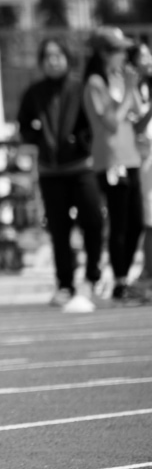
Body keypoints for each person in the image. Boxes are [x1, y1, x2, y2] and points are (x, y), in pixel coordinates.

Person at [16, 38, 104, 311]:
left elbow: (94, 122)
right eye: (48, 56)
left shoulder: (80, 88)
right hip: (50, 171)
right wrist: (38, 139)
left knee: (93, 222)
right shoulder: (34, 92)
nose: (54, 60)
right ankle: (64, 284)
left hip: (81, 168)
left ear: (67, 58)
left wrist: (81, 142)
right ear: (42, 61)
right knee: (59, 230)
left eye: (58, 55)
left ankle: (92, 278)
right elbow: (24, 126)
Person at [81, 27, 147, 304]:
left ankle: (124, 278)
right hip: (110, 160)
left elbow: (137, 121)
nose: (124, 56)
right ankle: (120, 282)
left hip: (131, 157)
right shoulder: (96, 83)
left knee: (136, 222)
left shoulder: (121, 79)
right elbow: (110, 122)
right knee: (119, 223)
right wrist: (131, 89)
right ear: (104, 53)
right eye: (119, 50)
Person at [127, 40, 152, 295]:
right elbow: (137, 127)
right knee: (150, 220)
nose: (149, 59)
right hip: (145, 160)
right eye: (143, 56)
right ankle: (147, 273)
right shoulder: (131, 89)